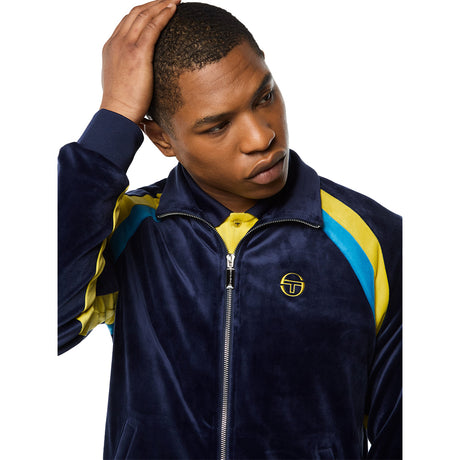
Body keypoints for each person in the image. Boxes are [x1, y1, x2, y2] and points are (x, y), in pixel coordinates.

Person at [58, 1, 402, 458]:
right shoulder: (129, 229)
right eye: (218, 126)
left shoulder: (373, 238)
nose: (262, 137)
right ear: (163, 138)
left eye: (264, 97)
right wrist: (116, 117)